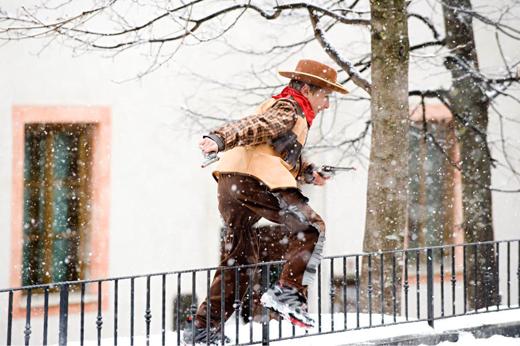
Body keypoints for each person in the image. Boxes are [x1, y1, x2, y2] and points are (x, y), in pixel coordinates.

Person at [183, 59, 348, 344]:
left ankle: (203, 327)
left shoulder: (289, 111)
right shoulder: (288, 107)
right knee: (311, 226)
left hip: (230, 183)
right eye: (325, 96)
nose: (326, 105)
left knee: (241, 259)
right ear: (307, 89)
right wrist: (220, 138)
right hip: (254, 180)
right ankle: (288, 292)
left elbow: (276, 149)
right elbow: (258, 126)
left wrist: (309, 172)